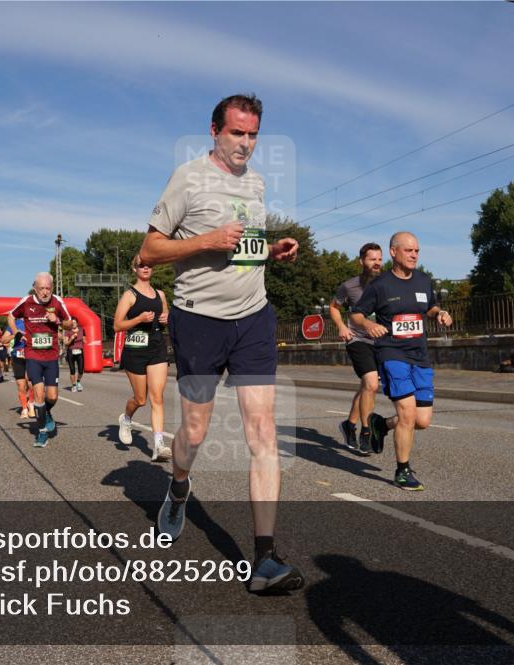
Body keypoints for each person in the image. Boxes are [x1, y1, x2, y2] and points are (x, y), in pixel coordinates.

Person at [138, 93, 304, 593]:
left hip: (253, 317)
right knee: (194, 428)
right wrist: (204, 241)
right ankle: (180, 486)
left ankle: (265, 560)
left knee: (264, 433)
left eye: (253, 134)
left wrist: (270, 250)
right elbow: (150, 248)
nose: (246, 144)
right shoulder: (187, 177)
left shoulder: (256, 183)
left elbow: (243, 249)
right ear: (214, 130)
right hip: (199, 320)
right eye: (237, 133)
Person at [350, 231, 453, 491]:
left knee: (422, 421)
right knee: (406, 414)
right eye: (408, 250)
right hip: (392, 353)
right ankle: (402, 470)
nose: (414, 255)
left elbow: (429, 307)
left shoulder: (423, 280)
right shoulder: (380, 285)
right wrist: (369, 323)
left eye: (417, 250)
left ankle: (381, 425)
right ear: (394, 252)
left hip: (419, 355)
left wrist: (439, 313)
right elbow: (356, 316)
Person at [114, 255, 173, 462]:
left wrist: (166, 319)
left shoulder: (161, 295)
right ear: (134, 269)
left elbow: (165, 319)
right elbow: (117, 325)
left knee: (157, 397)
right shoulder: (129, 296)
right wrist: (138, 319)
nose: (146, 268)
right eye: (141, 265)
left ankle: (158, 445)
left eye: (149, 265)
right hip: (135, 350)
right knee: (141, 398)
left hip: (156, 347)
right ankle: (126, 418)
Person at [8, 272, 75, 448]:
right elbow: (11, 316)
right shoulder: (26, 301)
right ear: (35, 288)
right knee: (38, 394)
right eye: (41, 288)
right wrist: (15, 332)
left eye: (48, 288)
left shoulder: (57, 302)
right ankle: (42, 432)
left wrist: (58, 320)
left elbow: (71, 323)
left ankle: (45, 412)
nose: (45, 292)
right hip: (33, 355)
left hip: (51, 355)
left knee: (52, 396)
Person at [329, 242, 384, 454]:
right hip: (357, 339)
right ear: (362, 261)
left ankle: (348, 425)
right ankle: (366, 432)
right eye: (372, 259)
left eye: (380, 259)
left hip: (380, 342)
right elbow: (334, 307)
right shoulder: (349, 286)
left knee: (366, 387)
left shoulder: (386, 283)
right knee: (370, 383)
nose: (377, 263)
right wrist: (342, 326)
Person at [6, 318, 36, 418]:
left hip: (32, 354)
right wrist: (15, 334)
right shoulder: (14, 324)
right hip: (17, 355)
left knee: (31, 383)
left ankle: (31, 405)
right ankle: (24, 408)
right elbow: (3, 340)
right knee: (21, 385)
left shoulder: (35, 321)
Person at [63, 324, 86, 392]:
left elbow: (84, 339)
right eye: (72, 323)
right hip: (71, 352)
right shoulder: (67, 331)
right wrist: (72, 338)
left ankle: (78, 382)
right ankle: (74, 385)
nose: (73, 324)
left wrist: (85, 341)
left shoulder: (82, 330)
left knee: (81, 370)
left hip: (79, 351)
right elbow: (66, 343)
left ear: (77, 323)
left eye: (75, 323)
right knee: (72, 370)